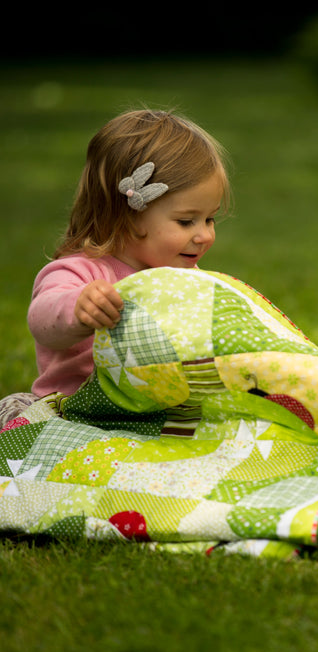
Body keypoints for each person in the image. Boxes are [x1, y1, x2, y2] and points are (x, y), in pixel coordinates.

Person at [0, 109, 230, 428]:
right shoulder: (81, 273)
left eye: (210, 218)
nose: (204, 234)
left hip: (150, 415)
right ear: (128, 214)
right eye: (186, 221)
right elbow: (41, 320)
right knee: (17, 414)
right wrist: (78, 309)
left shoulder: (187, 281)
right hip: (74, 415)